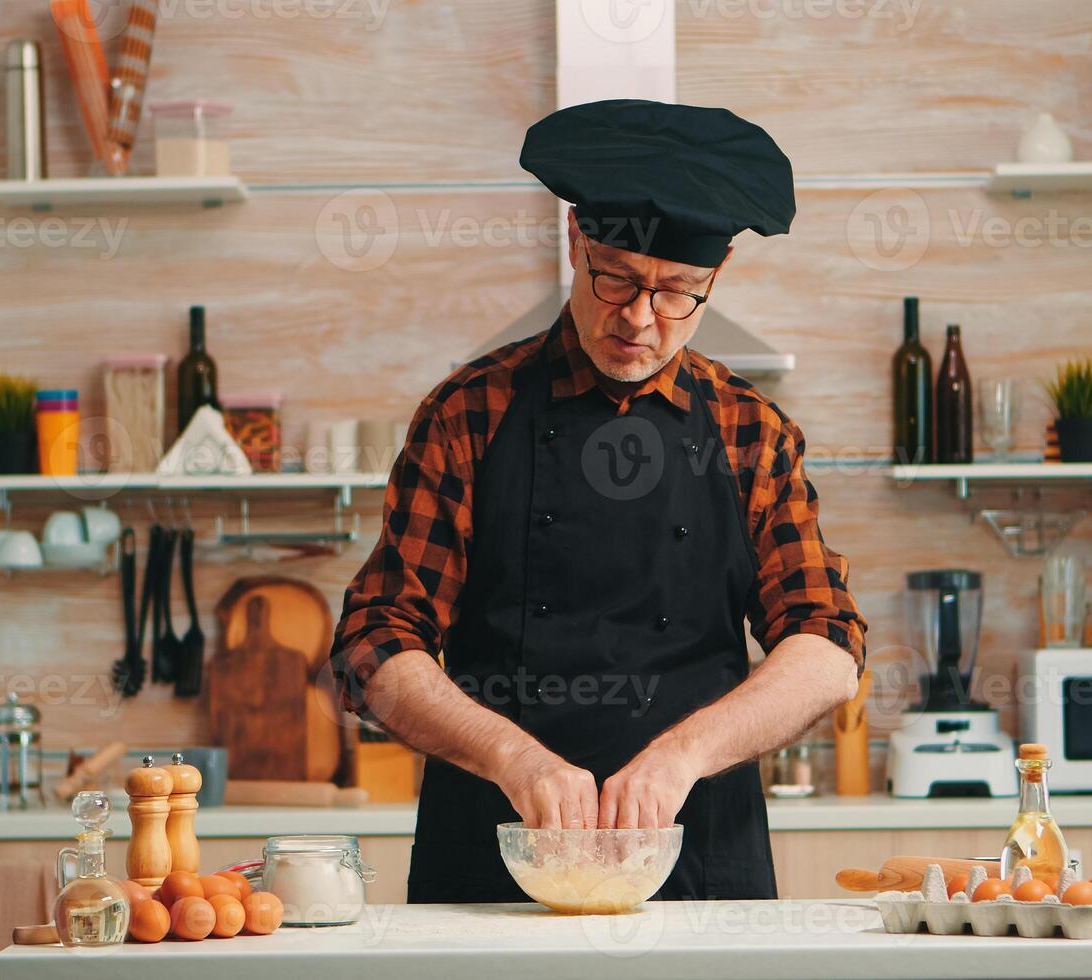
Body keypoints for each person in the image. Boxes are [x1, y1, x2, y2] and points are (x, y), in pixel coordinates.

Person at [329, 99, 865, 903]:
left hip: (700, 872)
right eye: (618, 278)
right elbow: (374, 641)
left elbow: (826, 642)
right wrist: (512, 757)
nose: (641, 319)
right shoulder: (468, 414)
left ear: (714, 280)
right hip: (491, 866)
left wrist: (683, 755)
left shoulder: (750, 429)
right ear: (577, 242)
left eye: (679, 291)